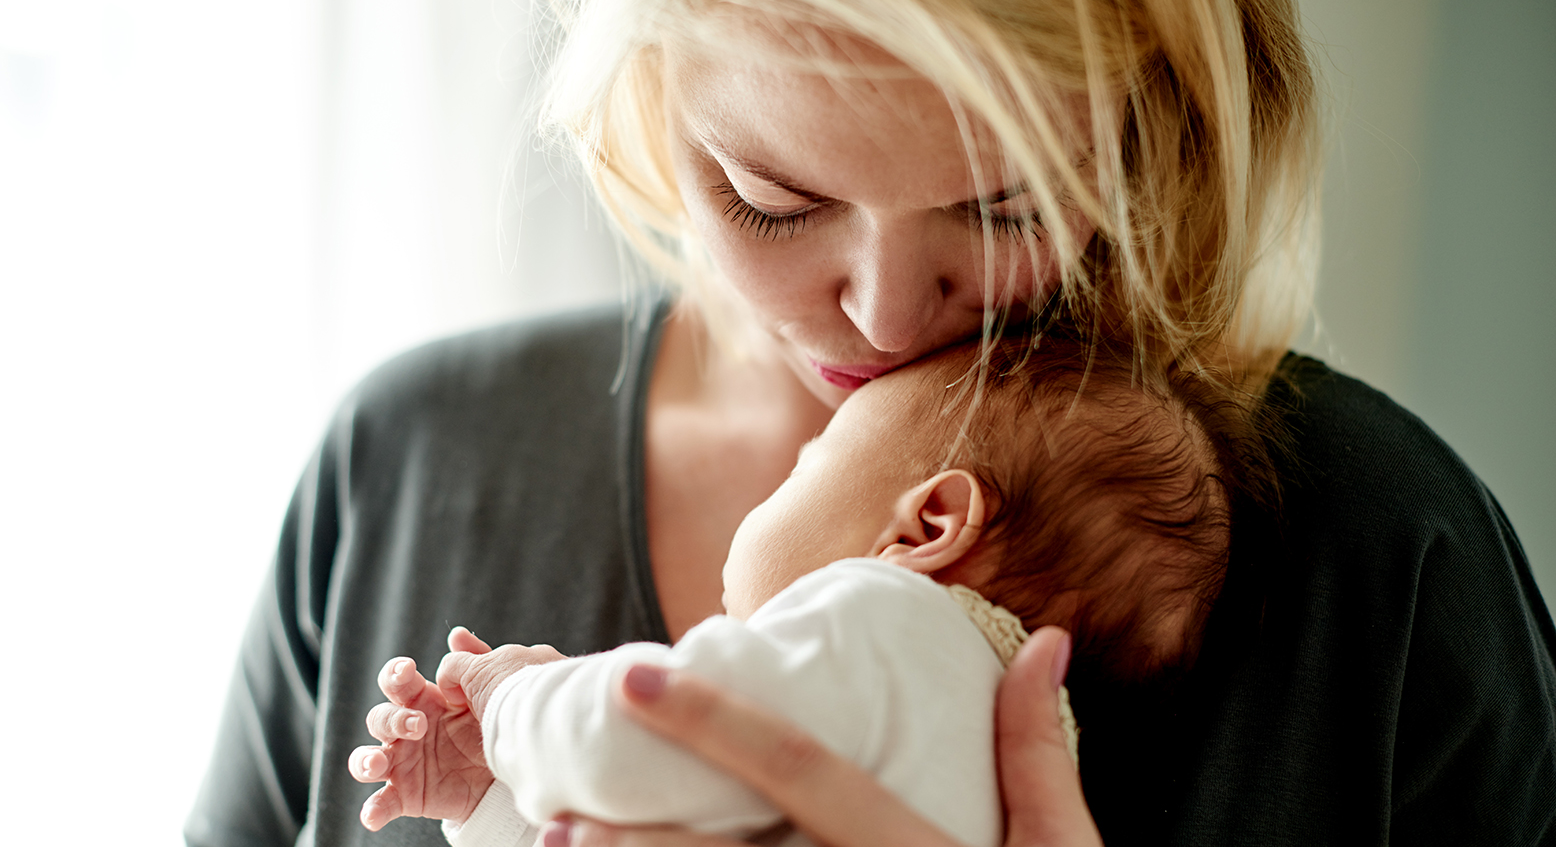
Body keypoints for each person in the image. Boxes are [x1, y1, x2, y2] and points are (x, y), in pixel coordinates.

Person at [185, 0, 1556, 843]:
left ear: (1150, 132)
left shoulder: (1384, 561)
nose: (890, 321)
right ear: (651, 111)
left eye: (1004, 205)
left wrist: (506, 704)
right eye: (772, 198)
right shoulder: (407, 461)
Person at [346, 333, 1249, 846]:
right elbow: (633, 821)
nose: (786, 469)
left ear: (927, 528)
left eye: (814, 461)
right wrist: (487, 799)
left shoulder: (890, 621)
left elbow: (631, 743)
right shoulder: (1000, 750)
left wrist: (511, 701)